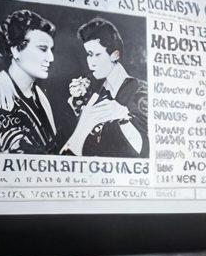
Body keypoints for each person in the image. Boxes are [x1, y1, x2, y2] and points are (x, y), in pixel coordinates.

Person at [63, 18, 149, 158]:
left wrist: (123, 119)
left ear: (115, 55)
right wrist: (77, 107)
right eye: (89, 55)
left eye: (96, 54)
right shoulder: (95, 90)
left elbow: (147, 151)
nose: (91, 63)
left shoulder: (141, 92)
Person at [0, 9, 59, 153]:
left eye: (51, 50)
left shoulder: (41, 96)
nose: (51, 58)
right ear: (15, 50)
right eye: (42, 49)